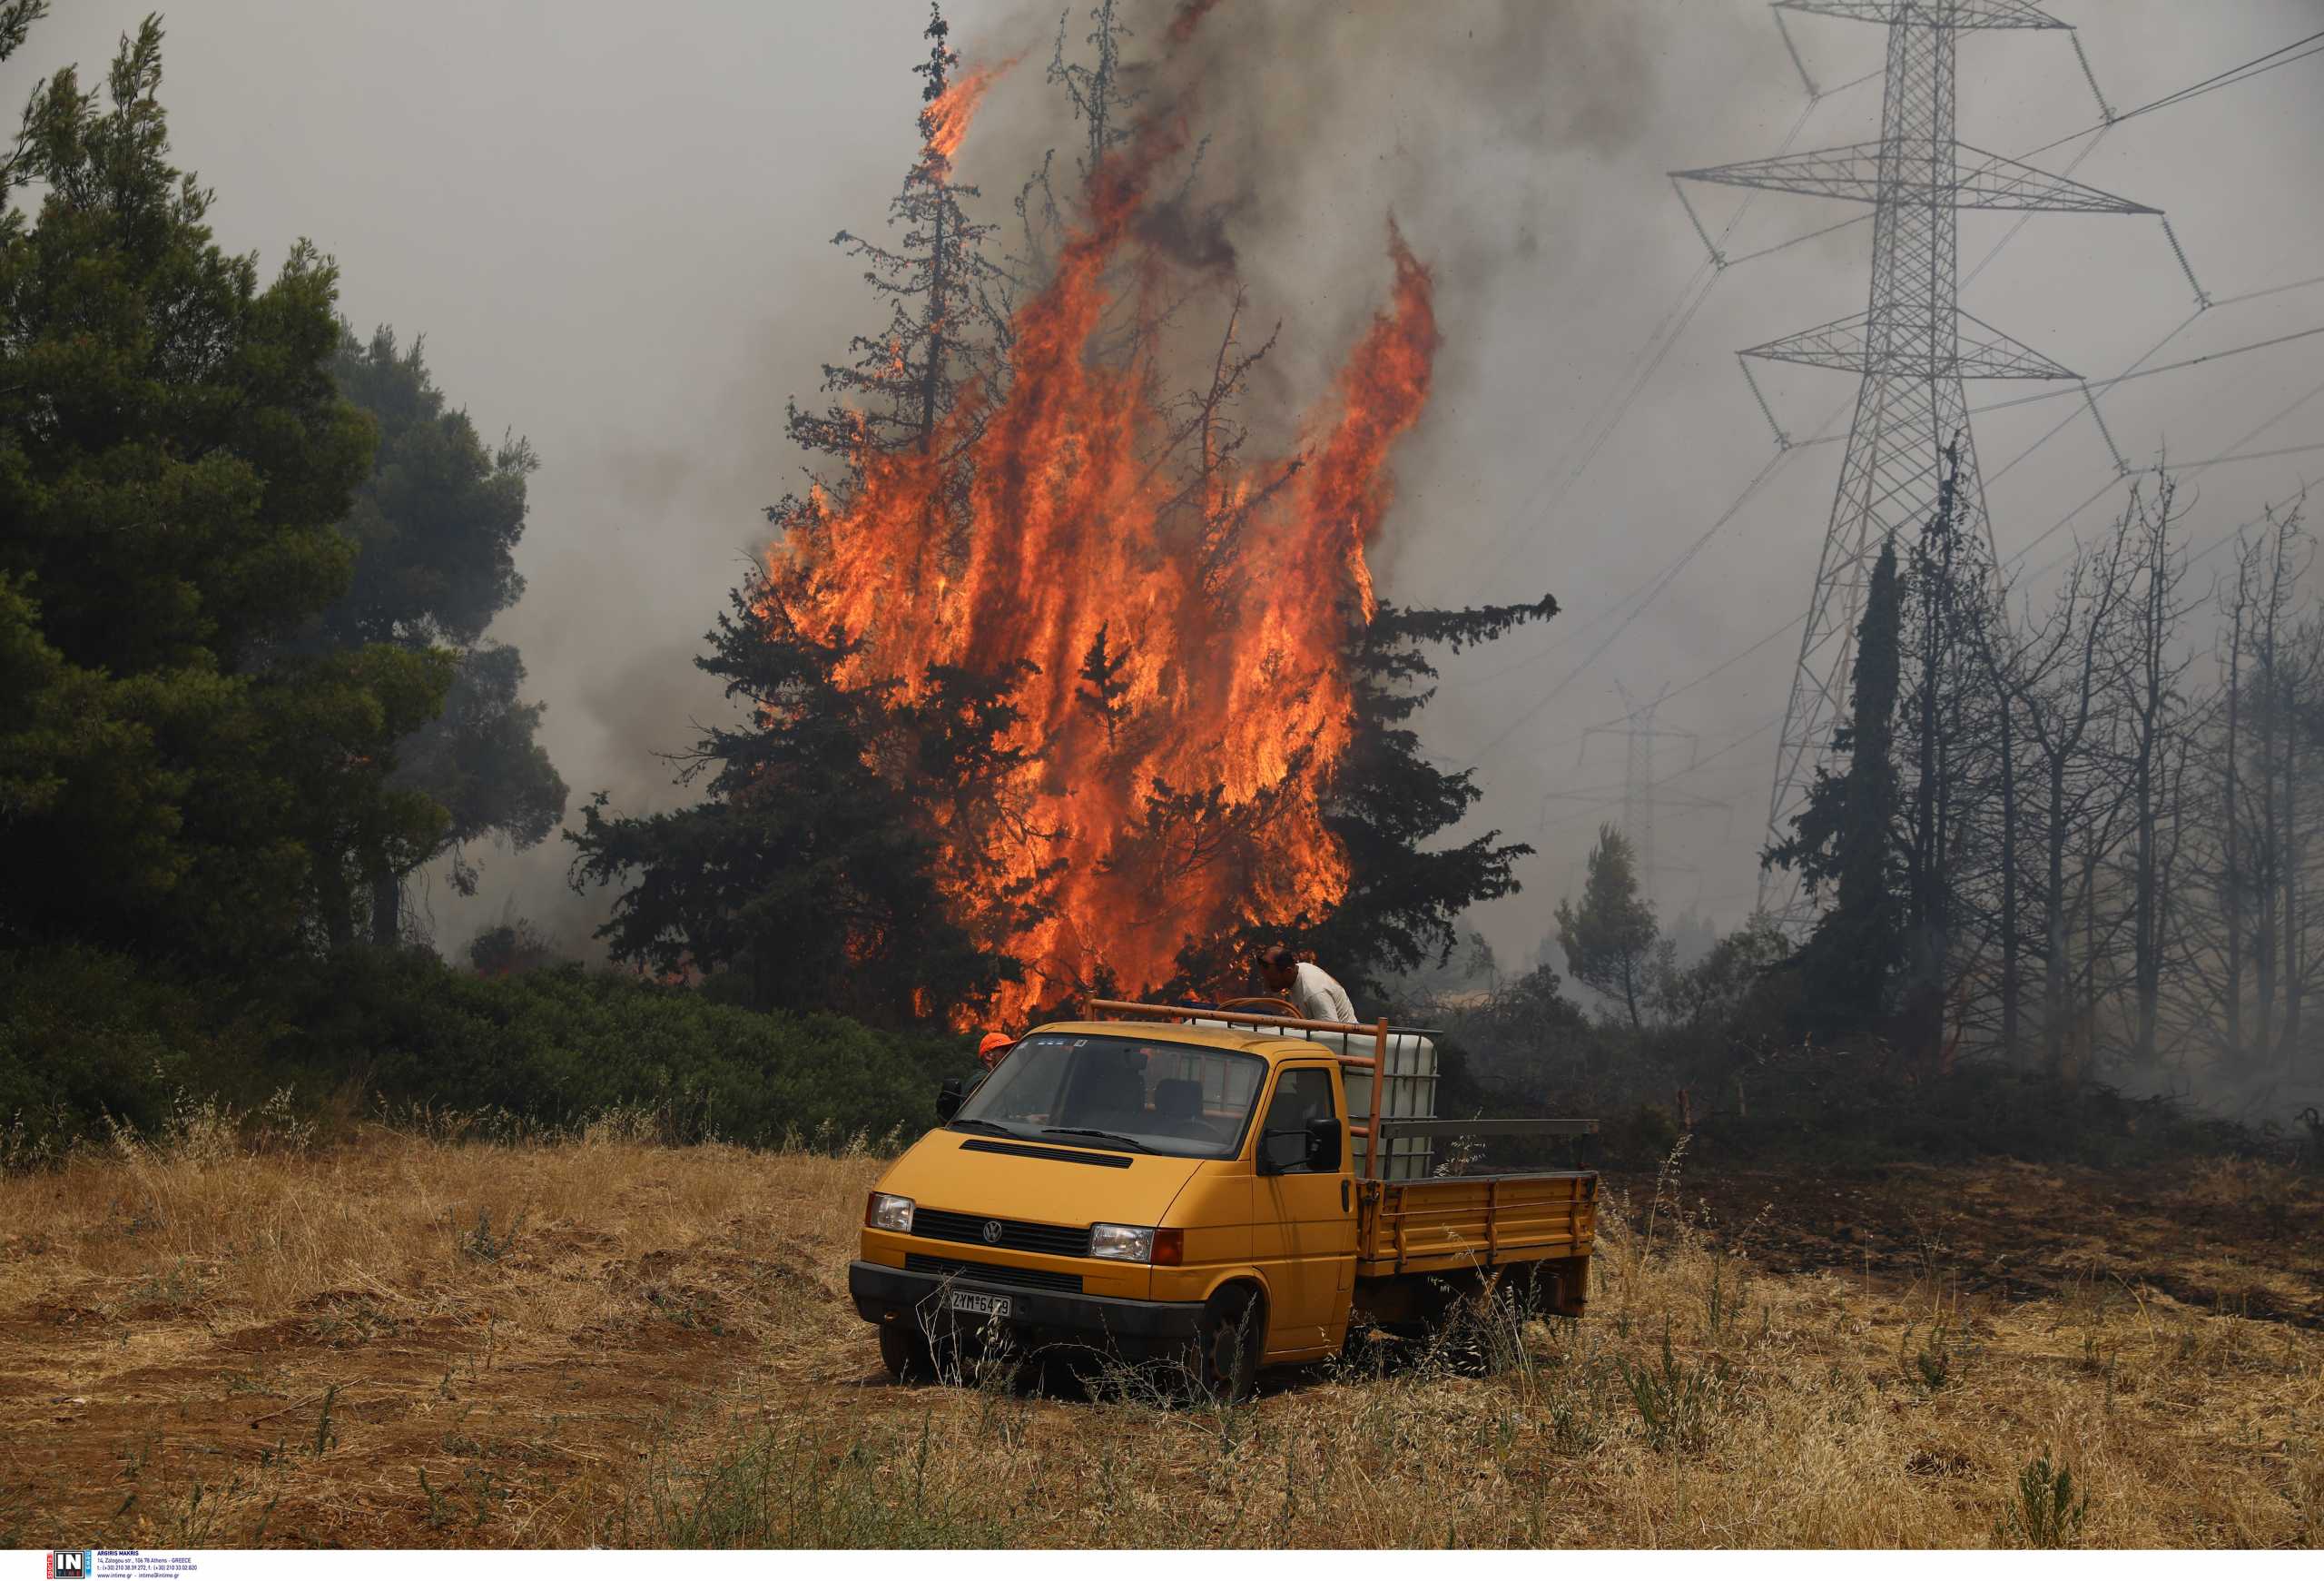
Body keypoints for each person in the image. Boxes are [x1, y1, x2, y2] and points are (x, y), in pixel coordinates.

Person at [1257, 944, 1357, 1024]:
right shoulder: (1297, 972)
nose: (1266, 984)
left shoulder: (1314, 992)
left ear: (1288, 972)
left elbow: (1331, 1033)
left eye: (1272, 980)